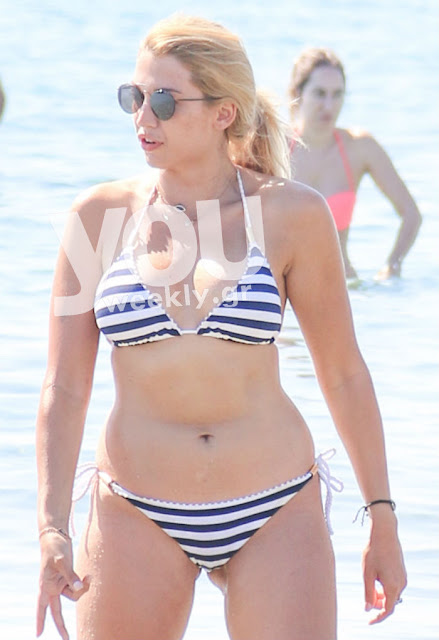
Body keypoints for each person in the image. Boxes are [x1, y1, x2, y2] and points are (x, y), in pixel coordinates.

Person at [36, 15, 406, 640]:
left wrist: (382, 517)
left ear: (223, 113)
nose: (143, 117)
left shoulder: (292, 214)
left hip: (274, 504)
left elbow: (343, 373)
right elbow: (64, 388)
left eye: (163, 100)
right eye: (134, 97)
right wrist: (51, 528)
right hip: (135, 507)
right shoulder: (96, 218)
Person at [288, 47, 422, 280]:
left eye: (337, 94)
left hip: (343, 286)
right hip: (285, 287)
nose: (329, 105)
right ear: (298, 93)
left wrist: (392, 265)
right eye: (320, 93)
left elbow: (411, 215)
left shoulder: (360, 148)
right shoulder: (275, 146)